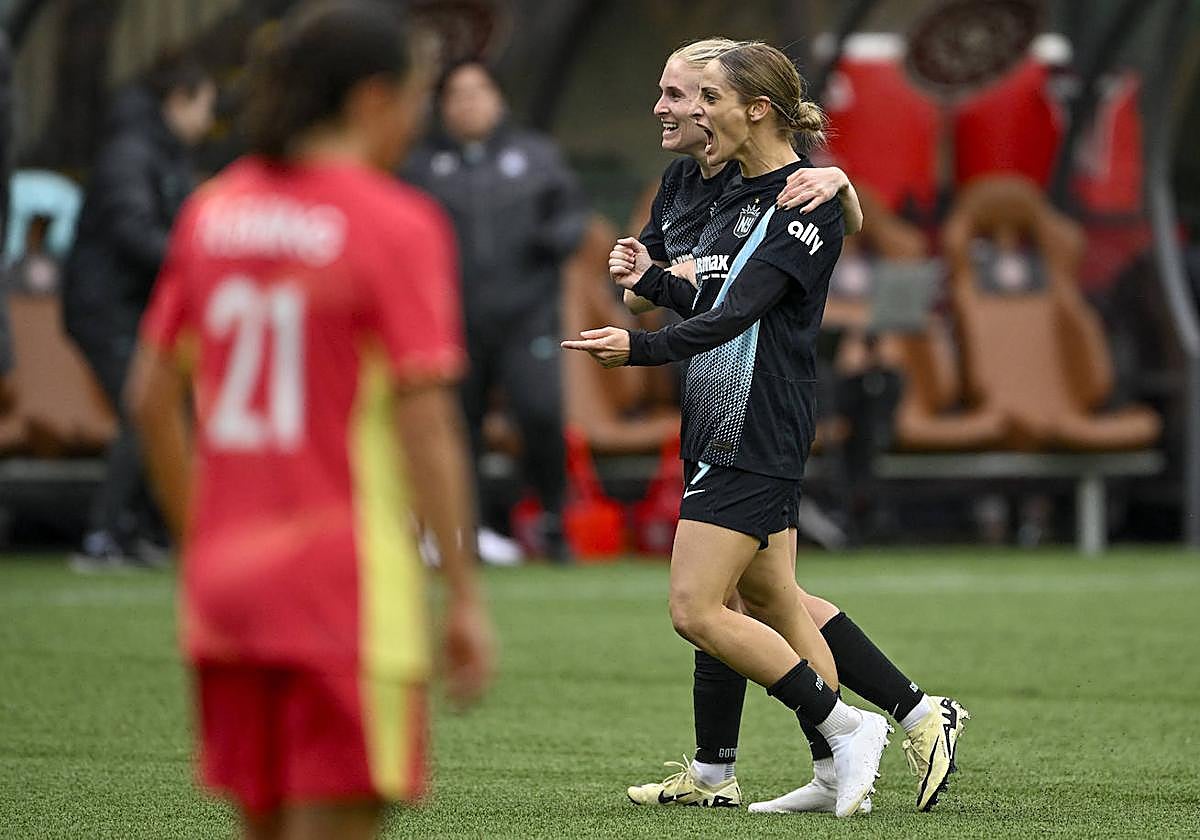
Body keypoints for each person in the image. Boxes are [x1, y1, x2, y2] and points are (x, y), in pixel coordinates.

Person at [566, 42, 971, 818]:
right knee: (769, 598)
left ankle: (844, 731)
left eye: (696, 95)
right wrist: (646, 279)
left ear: (753, 108)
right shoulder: (704, 182)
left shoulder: (803, 197)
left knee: (697, 607)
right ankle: (876, 734)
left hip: (756, 419)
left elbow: (730, 314)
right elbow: (678, 296)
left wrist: (638, 346)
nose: (677, 109)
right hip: (716, 406)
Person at [125, 3, 494, 839]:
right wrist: (464, 594)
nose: (419, 116)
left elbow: (150, 396)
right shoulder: (393, 222)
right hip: (343, 588)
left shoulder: (212, 210)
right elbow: (426, 422)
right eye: (416, 95)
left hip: (228, 590)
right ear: (371, 100)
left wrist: (201, 538)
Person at [404, 60, 589, 565]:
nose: (468, 103)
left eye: (478, 92)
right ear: (442, 107)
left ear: (498, 98)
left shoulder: (536, 156)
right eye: (457, 95)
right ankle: (466, 529)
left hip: (526, 315)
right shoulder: (421, 166)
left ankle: (552, 519)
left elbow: (573, 214)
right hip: (454, 322)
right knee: (459, 426)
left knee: (540, 413)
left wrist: (556, 239)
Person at [62, 49, 217, 570]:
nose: (208, 121)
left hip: (136, 306)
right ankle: (103, 534)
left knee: (161, 407)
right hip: (105, 306)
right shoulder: (131, 152)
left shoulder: (164, 152)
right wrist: (200, 262)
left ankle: (137, 529)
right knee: (142, 407)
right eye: (204, 107)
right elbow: (134, 233)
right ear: (178, 101)